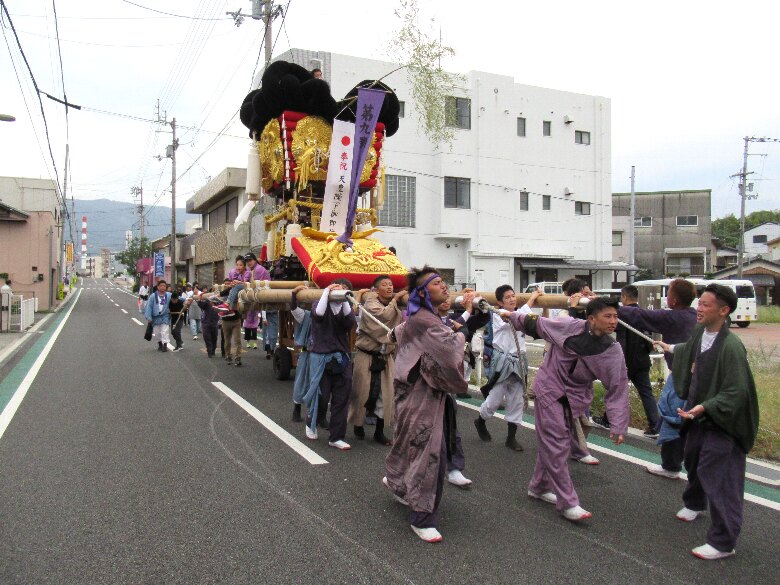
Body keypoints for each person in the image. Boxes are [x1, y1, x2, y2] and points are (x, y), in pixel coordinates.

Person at [654, 284, 759, 560]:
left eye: (705, 304)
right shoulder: (701, 332)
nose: (699, 308)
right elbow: (689, 350)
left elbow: (737, 391)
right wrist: (670, 347)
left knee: (719, 475)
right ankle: (695, 502)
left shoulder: (732, 347)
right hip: (699, 414)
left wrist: (705, 406)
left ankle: (724, 542)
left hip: (724, 421)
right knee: (693, 457)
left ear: (724, 311)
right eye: (699, 303)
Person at [505, 296, 629, 522]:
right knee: (557, 444)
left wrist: (619, 423)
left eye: (615, 316)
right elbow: (536, 323)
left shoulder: (612, 350)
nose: (613, 321)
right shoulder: (568, 326)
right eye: (608, 316)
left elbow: (618, 386)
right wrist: (511, 315)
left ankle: (539, 486)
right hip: (550, 390)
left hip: (576, 397)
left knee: (553, 444)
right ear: (591, 319)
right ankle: (568, 502)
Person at [383, 267, 472, 543]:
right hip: (421, 395)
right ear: (422, 293)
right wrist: (462, 333)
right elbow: (450, 350)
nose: (444, 286)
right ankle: (422, 517)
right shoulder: (426, 321)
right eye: (436, 283)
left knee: (409, 443)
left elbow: (399, 333)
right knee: (429, 453)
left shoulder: (422, 318)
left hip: (416, 393)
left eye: (443, 282)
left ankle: (397, 483)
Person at [618, 278, 698, 479]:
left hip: (682, 378)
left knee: (673, 417)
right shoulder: (693, 316)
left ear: (674, 300)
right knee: (686, 420)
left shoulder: (673, 317)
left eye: (668, 293)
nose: (667, 297)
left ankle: (671, 466)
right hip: (695, 377)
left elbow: (638, 315)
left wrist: (602, 305)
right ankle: (680, 464)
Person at [470, 285, 536, 452]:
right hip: (502, 362)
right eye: (507, 297)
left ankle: (511, 438)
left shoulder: (521, 314)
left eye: (513, 296)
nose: (512, 299)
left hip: (519, 362)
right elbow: (512, 318)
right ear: (499, 302)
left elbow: (525, 316)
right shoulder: (497, 315)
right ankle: (481, 421)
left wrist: (533, 299)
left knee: (517, 400)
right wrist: (531, 299)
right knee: (494, 400)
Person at [592, 285, 659, 438]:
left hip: (625, 361)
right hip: (642, 360)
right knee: (646, 393)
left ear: (624, 297)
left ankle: (608, 420)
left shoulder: (620, 315)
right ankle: (655, 425)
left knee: (616, 391)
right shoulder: (642, 314)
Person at [349, 275, 406, 445]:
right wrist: (395, 299)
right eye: (385, 285)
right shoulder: (371, 304)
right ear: (376, 289)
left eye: (391, 285)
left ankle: (379, 432)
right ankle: (358, 424)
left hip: (386, 356)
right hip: (366, 354)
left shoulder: (394, 305)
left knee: (387, 394)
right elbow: (384, 317)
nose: (389, 287)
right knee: (361, 392)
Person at [301, 279, 357, 450]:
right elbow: (318, 315)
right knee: (321, 396)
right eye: (338, 288)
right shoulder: (319, 304)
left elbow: (350, 323)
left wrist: (345, 298)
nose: (341, 291)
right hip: (321, 358)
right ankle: (312, 423)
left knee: (342, 398)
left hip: (341, 358)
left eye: (345, 289)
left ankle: (336, 436)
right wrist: (326, 292)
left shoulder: (345, 308)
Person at [290, 285, 313, 422]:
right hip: (308, 353)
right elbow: (294, 308)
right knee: (301, 381)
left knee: (321, 385)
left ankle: (317, 415)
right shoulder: (306, 315)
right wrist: (294, 293)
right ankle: (297, 408)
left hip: (324, 354)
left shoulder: (329, 314)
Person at [144, 280, 172, 352]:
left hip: (165, 316)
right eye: (161, 286)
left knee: (165, 331)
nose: (163, 287)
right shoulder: (153, 296)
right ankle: (160, 344)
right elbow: (149, 307)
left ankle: (165, 345)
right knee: (157, 332)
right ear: (158, 287)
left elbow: (177, 299)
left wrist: (188, 300)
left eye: (164, 286)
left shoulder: (169, 295)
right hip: (155, 317)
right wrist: (149, 317)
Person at [219, 285, 243, 366]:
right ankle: (228, 356)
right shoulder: (223, 295)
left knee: (237, 340)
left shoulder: (238, 292)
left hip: (236, 320)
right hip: (225, 321)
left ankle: (238, 358)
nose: (230, 284)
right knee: (227, 340)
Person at [197, 289, 220, 358]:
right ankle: (209, 351)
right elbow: (200, 304)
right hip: (206, 323)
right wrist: (200, 298)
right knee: (207, 338)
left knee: (214, 338)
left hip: (215, 323)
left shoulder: (218, 303)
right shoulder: (207, 303)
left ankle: (213, 350)